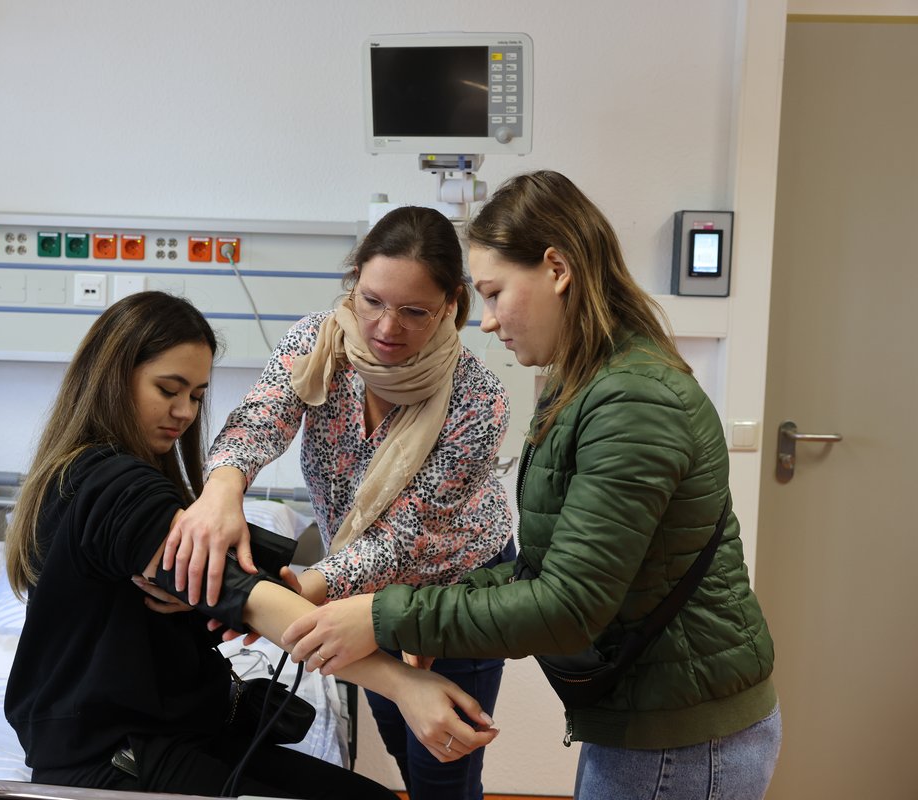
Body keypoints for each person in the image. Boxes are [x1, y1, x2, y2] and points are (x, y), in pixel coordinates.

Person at [282, 171, 782, 800]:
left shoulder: (629, 400)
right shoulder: (588, 386)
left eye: (493, 294)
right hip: (652, 710)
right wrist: (410, 622)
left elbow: (567, 607)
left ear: (556, 268)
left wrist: (385, 615)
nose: (486, 322)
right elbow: (544, 571)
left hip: (680, 732)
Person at [2, 290, 497, 800]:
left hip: (178, 734)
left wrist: (239, 583)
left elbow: (232, 587)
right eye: (168, 389)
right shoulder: (110, 485)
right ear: (112, 377)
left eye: (195, 395)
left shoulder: (107, 478)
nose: (184, 412)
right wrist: (402, 685)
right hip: (119, 756)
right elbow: (252, 601)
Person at [160, 205, 514, 800]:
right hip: (361, 587)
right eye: (372, 300)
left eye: (413, 311)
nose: (385, 326)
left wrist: (297, 592)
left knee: (443, 769)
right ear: (354, 282)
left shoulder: (478, 402)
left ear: (452, 302)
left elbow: (405, 537)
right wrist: (221, 490)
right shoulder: (319, 342)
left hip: (459, 587)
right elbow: (259, 421)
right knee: (401, 741)